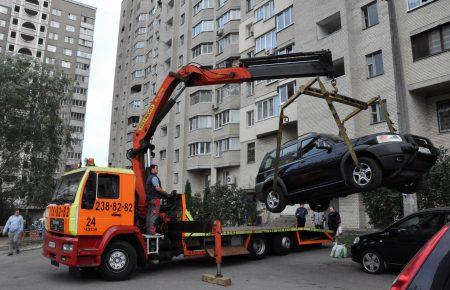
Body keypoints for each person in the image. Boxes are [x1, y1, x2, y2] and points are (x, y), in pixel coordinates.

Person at [145, 165, 171, 235]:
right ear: (152, 169)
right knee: (155, 215)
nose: (157, 170)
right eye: (156, 168)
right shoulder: (154, 178)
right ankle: (152, 232)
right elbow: (158, 188)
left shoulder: (148, 178)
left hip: (149, 199)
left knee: (149, 215)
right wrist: (165, 193)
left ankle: (149, 231)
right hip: (155, 199)